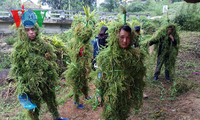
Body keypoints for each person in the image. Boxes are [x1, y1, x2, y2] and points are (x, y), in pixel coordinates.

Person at [9, 23, 68, 120]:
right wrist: (22, 85)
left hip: (46, 80)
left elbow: (50, 62)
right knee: (34, 106)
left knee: (51, 99)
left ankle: (56, 117)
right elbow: (17, 69)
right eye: (27, 30)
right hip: (31, 84)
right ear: (23, 32)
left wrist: (52, 77)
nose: (31, 32)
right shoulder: (19, 49)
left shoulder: (43, 45)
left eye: (33, 29)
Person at [92, 24, 146, 119]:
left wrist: (137, 94)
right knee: (110, 115)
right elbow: (100, 75)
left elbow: (138, 77)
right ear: (116, 37)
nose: (125, 41)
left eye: (128, 37)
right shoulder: (107, 56)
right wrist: (98, 93)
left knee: (123, 115)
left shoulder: (135, 56)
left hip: (126, 95)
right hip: (110, 94)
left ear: (131, 38)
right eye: (122, 37)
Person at [64, 23, 92, 109]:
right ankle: (76, 101)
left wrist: (87, 66)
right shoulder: (75, 43)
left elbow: (88, 57)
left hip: (83, 67)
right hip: (77, 68)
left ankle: (86, 95)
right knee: (77, 85)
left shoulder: (86, 44)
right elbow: (73, 56)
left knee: (84, 83)